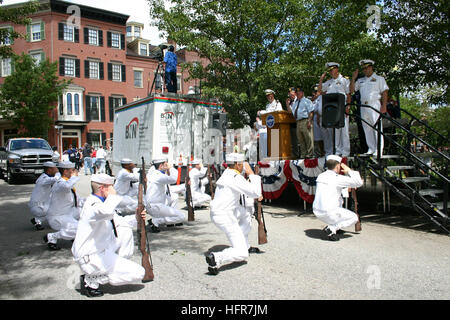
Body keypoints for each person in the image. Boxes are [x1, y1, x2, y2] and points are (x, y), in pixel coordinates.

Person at [72, 173, 146, 298]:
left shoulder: (102, 203)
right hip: (90, 256)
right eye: (111, 187)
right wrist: (113, 196)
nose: (114, 190)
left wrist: (137, 217)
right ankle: (91, 280)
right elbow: (106, 212)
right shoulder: (92, 205)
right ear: (103, 188)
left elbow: (119, 221)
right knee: (139, 273)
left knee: (124, 229)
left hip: (101, 249)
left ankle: (107, 269)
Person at [206, 153, 262, 275]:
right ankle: (217, 258)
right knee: (242, 254)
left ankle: (244, 243)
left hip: (223, 212)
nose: (243, 167)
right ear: (237, 165)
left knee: (246, 213)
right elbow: (256, 192)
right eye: (242, 165)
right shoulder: (235, 178)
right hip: (225, 216)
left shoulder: (227, 174)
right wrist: (252, 174)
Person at [313, 155, 363, 241]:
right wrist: (349, 171)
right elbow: (358, 182)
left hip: (317, 211)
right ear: (337, 166)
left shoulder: (320, 176)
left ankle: (334, 226)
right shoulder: (337, 178)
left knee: (339, 203)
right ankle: (332, 228)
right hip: (329, 212)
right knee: (354, 218)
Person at [350, 59, 389, 156]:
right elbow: (351, 90)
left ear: (371, 67)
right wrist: (353, 78)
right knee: (367, 128)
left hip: (374, 104)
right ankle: (371, 148)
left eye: (367, 68)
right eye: (363, 68)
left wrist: (384, 105)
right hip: (363, 105)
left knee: (376, 127)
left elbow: (384, 92)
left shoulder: (379, 79)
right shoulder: (361, 80)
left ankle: (379, 149)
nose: (365, 70)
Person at [44, 161, 83, 250]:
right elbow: (66, 186)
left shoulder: (66, 183)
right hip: (57, 217)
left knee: (86, 212)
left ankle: (72, 234)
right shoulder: (60, 183)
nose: (75, 172)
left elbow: (78, 199)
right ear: (65, 171)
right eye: (72, 170)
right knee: (81, 228)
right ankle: (51, 237)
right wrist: (73, 177)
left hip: (67, 213)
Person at [319, 62, 351, 157]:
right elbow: (320, 90)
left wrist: (348, 107)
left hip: (342, 108)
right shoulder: (329, 82)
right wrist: (321, 79)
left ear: (337, 69)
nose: (331, 72)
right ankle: (338, 150)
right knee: (336, 131)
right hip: (333, 110)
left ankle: (345, 151)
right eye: (329, 71)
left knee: (344, 131)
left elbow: (348, 95)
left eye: (332, 70)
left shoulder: (344, 80)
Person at [145, 159, 185, 233]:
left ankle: (156, 221)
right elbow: (173, 179)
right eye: (165, 164)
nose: (167, 166)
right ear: (161, 166)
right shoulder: (158, 176)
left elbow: (170, 189)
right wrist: (171, 168)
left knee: (174, 198)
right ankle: (156, 221)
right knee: (181, 216)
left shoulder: (154, 174)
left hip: (154, 205)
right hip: (155, 206)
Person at [29, 162, 61, 230]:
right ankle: (54, 223)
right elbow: (56, 179)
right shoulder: (44, 179)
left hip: (40, 205)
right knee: (57, 209)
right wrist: (58, 172)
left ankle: (37, 220)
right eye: (55, 168)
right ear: (49, 169)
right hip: (38, 206)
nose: (56, 169)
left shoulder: (44, 177)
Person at [287, 86, 315, 158]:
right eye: (297, 92)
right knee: (300, 139)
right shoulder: (295, 103)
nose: (297, 94)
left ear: (302, 93)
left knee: (308, 138)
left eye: (299, 92)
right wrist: (287, 104)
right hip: (298, 122)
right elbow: (291, 112)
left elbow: (311, 111)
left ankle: (310, 153)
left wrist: (309, 121)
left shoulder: (307, 101)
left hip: (305, 120)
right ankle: (303, 154)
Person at [256, 89, 283, 160]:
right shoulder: (267, 105)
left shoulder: (277, 104)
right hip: (268, 128)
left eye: (270, 95)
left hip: (275, 127)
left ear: (273, 95)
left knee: (275, 151)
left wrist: (262, 112)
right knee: (268, 149)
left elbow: (278, 115)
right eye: (267, 96)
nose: (268, 97)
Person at [311, 84, 325, 157]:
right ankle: (320, 153)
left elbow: (317, 110)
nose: (315, 94)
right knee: (317, 138)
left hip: (321, 118)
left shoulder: (321, 98)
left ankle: (324, 152)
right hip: (314, 120)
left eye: (316, 92)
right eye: (314, 92)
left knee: (323, 137)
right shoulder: (313, 101)